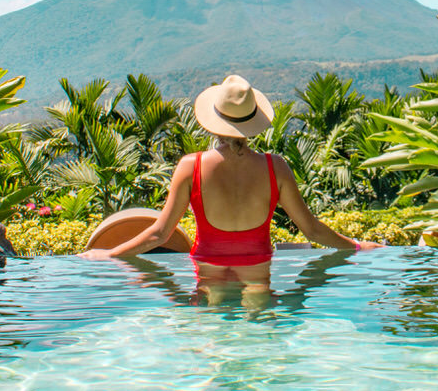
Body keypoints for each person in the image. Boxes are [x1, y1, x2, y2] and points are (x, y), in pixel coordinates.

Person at [79, 75, 382, 295]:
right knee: (260, 341)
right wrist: (356, 246)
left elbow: (160, 233)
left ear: (214, 118)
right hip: (258, 277)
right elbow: (312, 230)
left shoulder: (191, 167)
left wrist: (109, 254)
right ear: (252, 121)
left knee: (214, 346)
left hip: (209, 278)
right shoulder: (275, 167)